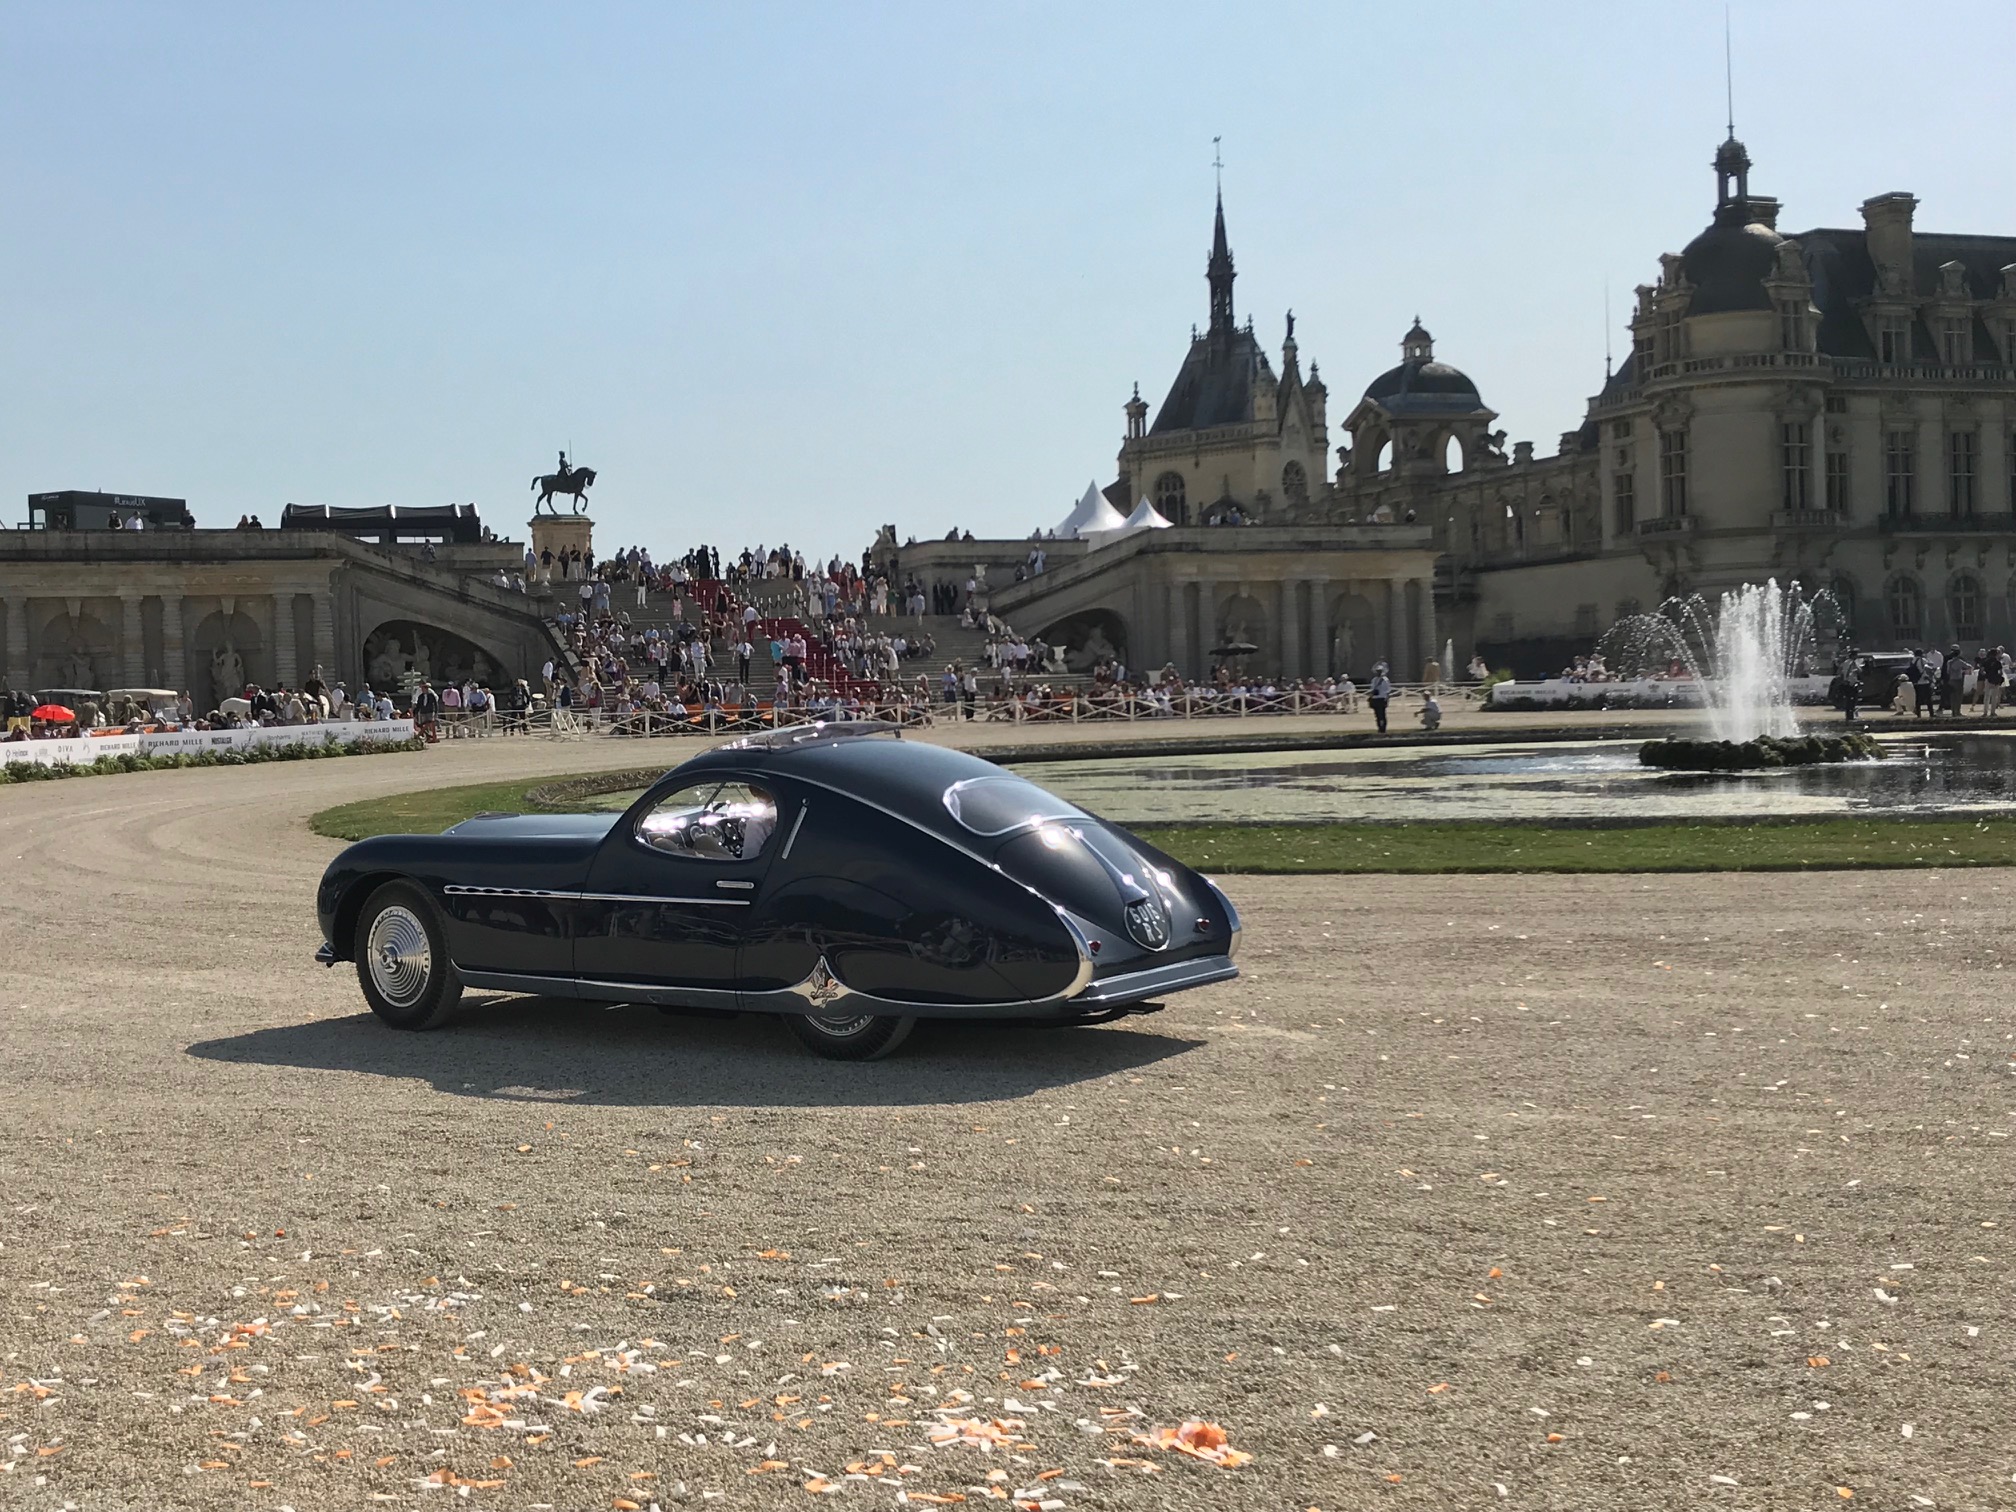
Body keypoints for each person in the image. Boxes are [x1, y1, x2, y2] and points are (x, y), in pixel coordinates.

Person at [1367, 664, 1393, 734]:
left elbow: (1388, 690)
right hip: (1375, 698)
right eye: (1377, 671)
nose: (1378, 672)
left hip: (1382, 698)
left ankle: (1383, 728)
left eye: (1379, 671)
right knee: (1377, 715)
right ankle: (1379, 727)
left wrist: (1387, 699)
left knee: (1382, 714)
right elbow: (1372, 689)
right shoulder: (1374, 680)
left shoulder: (1385, 680)